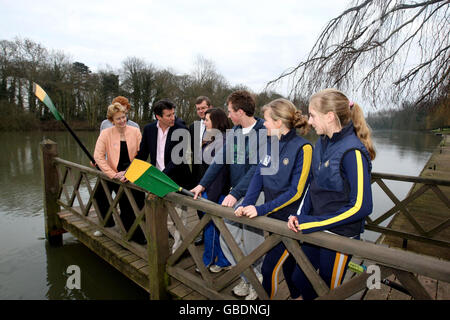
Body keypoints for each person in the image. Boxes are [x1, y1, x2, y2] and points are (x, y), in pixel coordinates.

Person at [287, 88, 376, 300]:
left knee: (328, 292)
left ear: (329, 116)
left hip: (340, 236)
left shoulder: (352, 152)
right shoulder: (321, 144)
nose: (309, 121)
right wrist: (300, 215)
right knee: (300, 278)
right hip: (316, 229)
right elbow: (312, 185)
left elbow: (362, 206)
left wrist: (313, 223)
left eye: (312, 115)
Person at [191, 90, 267, 300]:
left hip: (255, 195)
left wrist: (236, 193)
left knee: (252, 243)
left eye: (230, 110)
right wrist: (202, 185)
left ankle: (256, 282)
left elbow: (256, 169)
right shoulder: (234, 132)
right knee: (229, 239)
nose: (228, 113)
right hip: (235, 193)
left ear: (240, 112)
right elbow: (219, 160)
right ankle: (247, 277)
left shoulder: (263, 132)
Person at [234, 98, 312, 300]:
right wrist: (247, 203)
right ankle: (296, 296)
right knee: (290, 267)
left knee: (269, 270)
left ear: (278, 122)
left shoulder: (304, 148)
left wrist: (260, 209)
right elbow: (258, 176)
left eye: (267, 120)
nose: (264, 123)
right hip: (273, 218)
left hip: (291, 221)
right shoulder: (271, 143)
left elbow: (296, 192)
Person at [136, 99, 193, 253]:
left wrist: (158, 177)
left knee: (179, 218)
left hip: (178, 179)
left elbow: (177, 159)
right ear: (158, 117)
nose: (172, 118)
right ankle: (179, 242)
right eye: (168, 115)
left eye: (173, 114)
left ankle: (180, 248)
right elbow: (142, 154)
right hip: (158, 179)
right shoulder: (148, 130)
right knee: (166, 221)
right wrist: (131, 171)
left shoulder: (181, 129)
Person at [93, 102, 146, 244]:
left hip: (133, 172)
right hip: (116, 175)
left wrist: (130, 172)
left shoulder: (135, 131)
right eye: (118, 119)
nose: (122, 121)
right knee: (124, 204)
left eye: (123, 117)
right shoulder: (106, 133)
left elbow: (142, 154)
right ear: (111, 121)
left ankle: (140, 236)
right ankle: (127, 236)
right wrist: (112, 174)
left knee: (138, 204)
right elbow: (98, 156)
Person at [198, 108, 232, 272]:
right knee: (214, 228)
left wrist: (210, 196)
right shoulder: (214, 138)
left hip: (217, 192)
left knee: (213, 228)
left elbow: (221, 172)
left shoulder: (223, 141)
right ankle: (219, 261)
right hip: (210, 189)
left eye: (207, 120)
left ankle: (211, 261)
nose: (204, 122)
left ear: (216, 121)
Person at [189, 96, 213, 246]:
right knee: (198, 205)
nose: (201, 111)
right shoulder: (193, 127)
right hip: (197, 170)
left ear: (210, 107)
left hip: (212, 170)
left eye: (203, 108)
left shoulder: (219, 125)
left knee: (212, 205)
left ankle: (214, 238)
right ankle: (204, 234)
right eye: (198, 109)